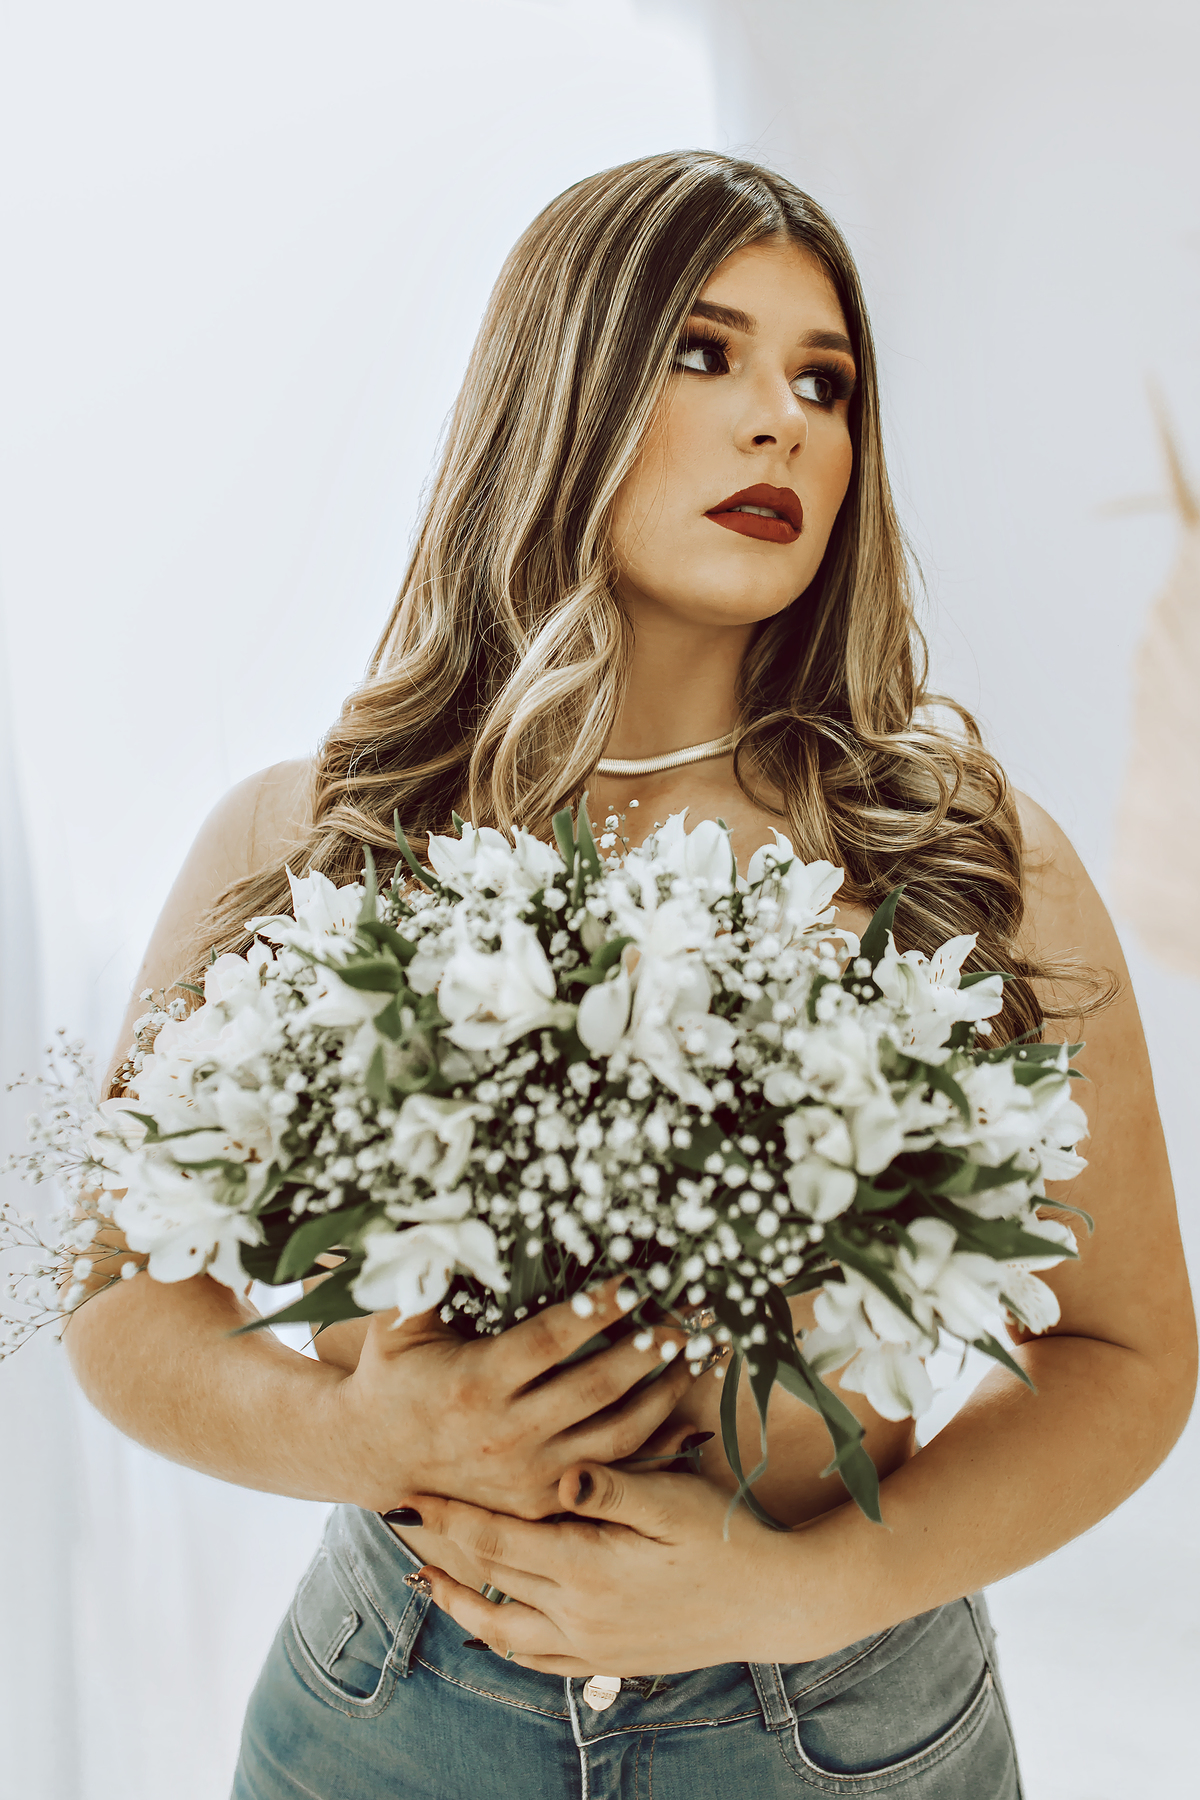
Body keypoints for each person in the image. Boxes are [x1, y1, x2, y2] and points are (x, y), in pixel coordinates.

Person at [66, 152, 1195, 1799]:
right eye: (704, 352)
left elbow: (1130, 1358)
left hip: (839, 1737)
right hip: (384, 1717)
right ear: (563, 387)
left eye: (825, 382)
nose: (783, 421)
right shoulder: (312, 836)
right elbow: (120, 1302)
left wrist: (805, 1591)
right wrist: (357, 1435)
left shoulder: (964, 857)